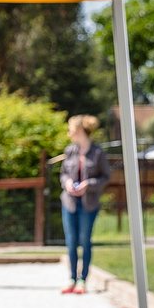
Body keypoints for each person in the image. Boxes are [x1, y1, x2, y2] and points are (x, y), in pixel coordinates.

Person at [60, 114, 112, 295]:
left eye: (72, 129)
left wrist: (88, 185)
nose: (70, 133)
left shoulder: (97, 153)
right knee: (71, 241)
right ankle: (72, 278)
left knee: (84, 240)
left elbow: (106, 177)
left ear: (80, 130)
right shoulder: (70, 151)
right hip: (69, 202)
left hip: (88, 204)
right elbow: (63, 173)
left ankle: (83, 279)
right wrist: (67, 183)